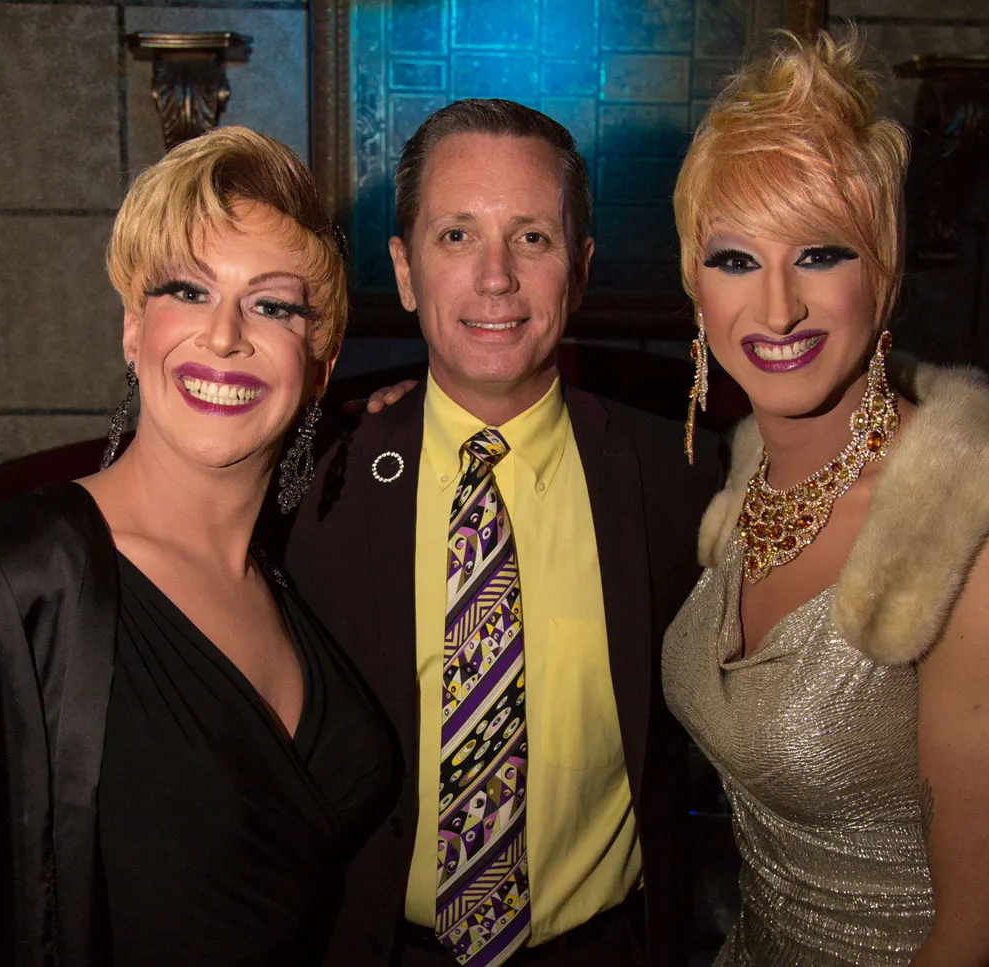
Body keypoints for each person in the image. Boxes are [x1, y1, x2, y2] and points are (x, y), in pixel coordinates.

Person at [279, 99, 721, 965]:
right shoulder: (311, 485)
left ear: (579, 270)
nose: (495, 278)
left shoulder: (682, 478)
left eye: (532, 238)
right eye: (456, 236)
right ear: (405, 271)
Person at [0, 126, 395, 967]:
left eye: (273, 305)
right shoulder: (24, 577)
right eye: (188, 290)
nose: (223, 335)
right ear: (133, 331)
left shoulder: (289, 573)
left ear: (319, 366)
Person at [661, 30, 989, 966]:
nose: (777, 309)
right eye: (735, 259)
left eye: (819, 254)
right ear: (694, 285)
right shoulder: (741, 475)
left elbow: (971, 936)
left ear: (882, 275)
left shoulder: (967, 538)